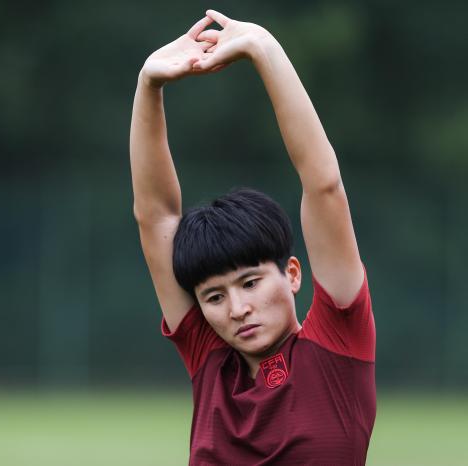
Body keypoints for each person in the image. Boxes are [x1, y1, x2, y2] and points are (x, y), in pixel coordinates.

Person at [129, 9, 376, 465]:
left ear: (292, 274)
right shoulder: (211, 363)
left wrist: (263, 47)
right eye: (214, 297)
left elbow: (322, 185)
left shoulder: (337, 346)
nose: (238, 309)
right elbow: (156, 218)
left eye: (250, 283)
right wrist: (149, 85)